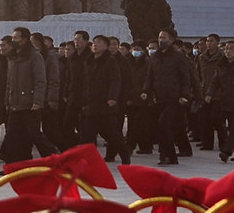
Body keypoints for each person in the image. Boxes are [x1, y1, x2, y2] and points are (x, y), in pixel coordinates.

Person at [2, 26, 58, 164]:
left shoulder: (34, 56)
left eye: (16, 38)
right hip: (16, 102)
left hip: (30, 102)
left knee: (34, 134)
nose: (13, 40)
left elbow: (40, 80)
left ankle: (55, 158)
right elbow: (9, 81)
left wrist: (38, 101)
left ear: (24, 40)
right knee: (13, 135)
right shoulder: (12, 57)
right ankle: (16, 165)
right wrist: (8, 100)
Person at [141, 28, 192, 166]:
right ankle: (170, 156)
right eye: (159, 37)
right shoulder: (155, 57)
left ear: (171, 40)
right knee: (164, 126)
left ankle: (165, 155)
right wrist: (146, 90)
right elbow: (150, 76)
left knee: (163, 124)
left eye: (163, 38)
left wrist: (184, 94)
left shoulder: (178, 57)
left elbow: (185, 77)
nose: (160, 40)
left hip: (174, 97)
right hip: (160, 96)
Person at [81, 34, 130, 165]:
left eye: (99, 43)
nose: (95, 45)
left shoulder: (110, 60)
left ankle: (125, 154)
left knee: (112, 134)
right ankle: (90, 160)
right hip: (92, 104)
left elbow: (115, 80)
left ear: (106, 46)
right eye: (94, 43)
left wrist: (112, 97)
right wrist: (84, 101)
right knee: (88, 136)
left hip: (106, 104)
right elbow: (85, 83)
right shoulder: (89, 61)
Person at [196, 34, 225, 151]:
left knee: (216, 118)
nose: (208, 43)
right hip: (204, 91)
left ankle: (223, 141)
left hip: (218, 93)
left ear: (217, 42)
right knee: (205, 119)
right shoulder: (201, 57)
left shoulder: (222, 57)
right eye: (207, 41)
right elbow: (198, 75)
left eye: (211, 41)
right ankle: (207, 142)